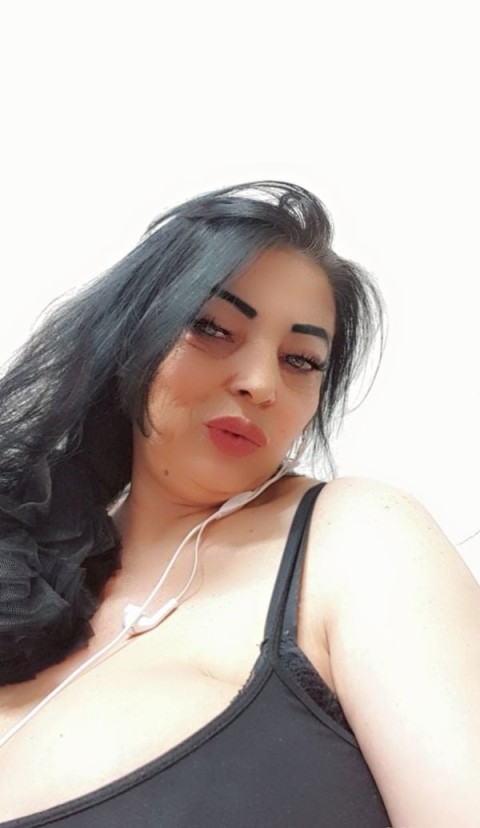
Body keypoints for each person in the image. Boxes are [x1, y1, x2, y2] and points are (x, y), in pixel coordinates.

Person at [0, 180, 478, 828]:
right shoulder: (24, 582)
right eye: (212, 328)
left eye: (301, 360)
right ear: (133, 338)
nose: (259, 383)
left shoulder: (358, 540)